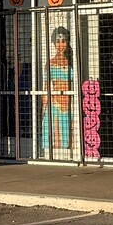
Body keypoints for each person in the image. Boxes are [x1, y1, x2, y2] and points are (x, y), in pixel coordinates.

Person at [43, 26, 74, 154]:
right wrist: (44, 107)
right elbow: (46, 87)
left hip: (68, 103)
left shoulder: (72, 63)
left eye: (63, 41)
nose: (61, 45)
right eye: (58, 42)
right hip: (55, 103)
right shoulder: (50, 63)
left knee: (68, 133)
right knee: (54, 133)